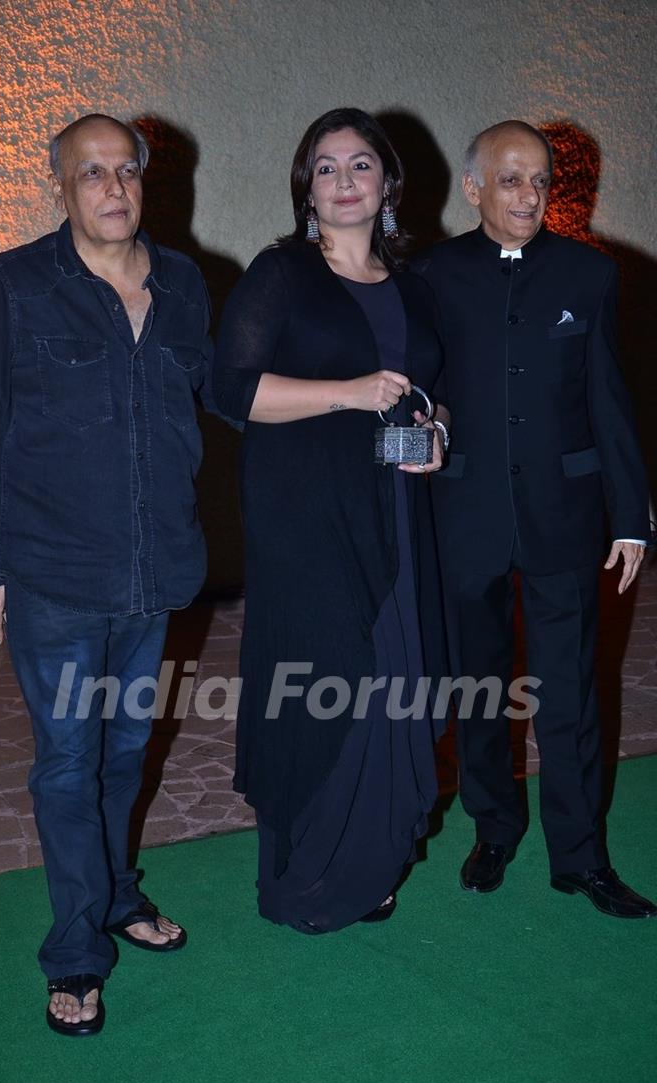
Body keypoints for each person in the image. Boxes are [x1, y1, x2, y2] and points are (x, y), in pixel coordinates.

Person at [0, 114, 217, 1034]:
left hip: (153, 573)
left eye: (126, 170)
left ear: (146, 181)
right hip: (52, 574)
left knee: (125, 755)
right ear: (59, 184)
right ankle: (74, 952)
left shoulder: (183, 282)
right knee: (67, 763)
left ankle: (117, 894)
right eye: (90, 172)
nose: (112, 188)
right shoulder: (16, 285)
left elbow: (212, 407)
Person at [213, 107, 450, 934]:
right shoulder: (281, 274)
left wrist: (438, 433)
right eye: (326, 167)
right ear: (304, 188)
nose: (344, 181)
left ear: (387, 183)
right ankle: (306, 879)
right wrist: (346, 393)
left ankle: (373, 863)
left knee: (393, 686)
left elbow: (429, 386)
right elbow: (230, 389)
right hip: (306, 522)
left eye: (360, 165)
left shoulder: (413, 288)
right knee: (326, 684)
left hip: (395, 516)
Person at [417, 120, 656, 918]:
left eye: (540, 183)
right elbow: (424, 391)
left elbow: (608, 400)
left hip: (566, 515)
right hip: (466, 512)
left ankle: (580, 857)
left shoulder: (590, 275)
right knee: (480, 689)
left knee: (570, 693)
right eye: (511, 181)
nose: (529, 196)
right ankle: (494, 828)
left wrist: (633, 516)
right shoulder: (432, 275)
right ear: (474, 186)